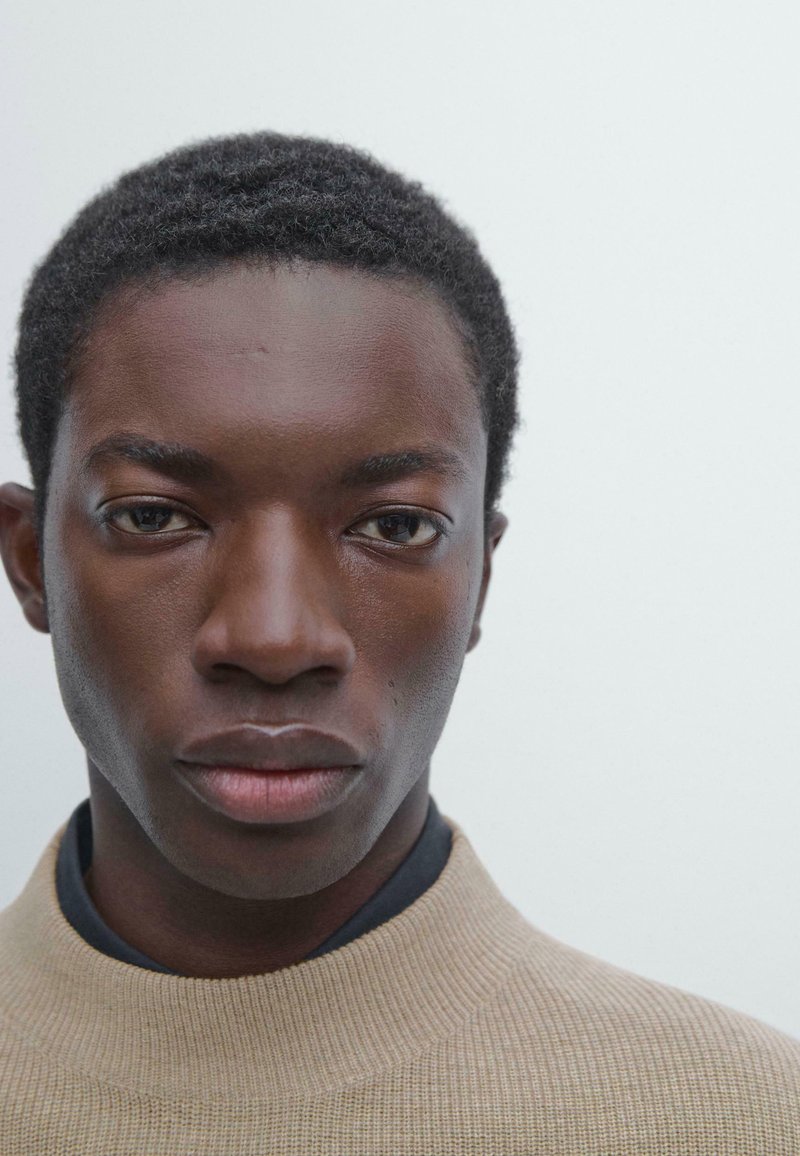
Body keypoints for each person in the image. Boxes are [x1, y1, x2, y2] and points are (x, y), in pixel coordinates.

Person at [0, 131, 797, 1155]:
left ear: (480, 579)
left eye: (395, 524)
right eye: (154, 516)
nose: (274, 639)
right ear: (29, 561)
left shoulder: (740, 1121)